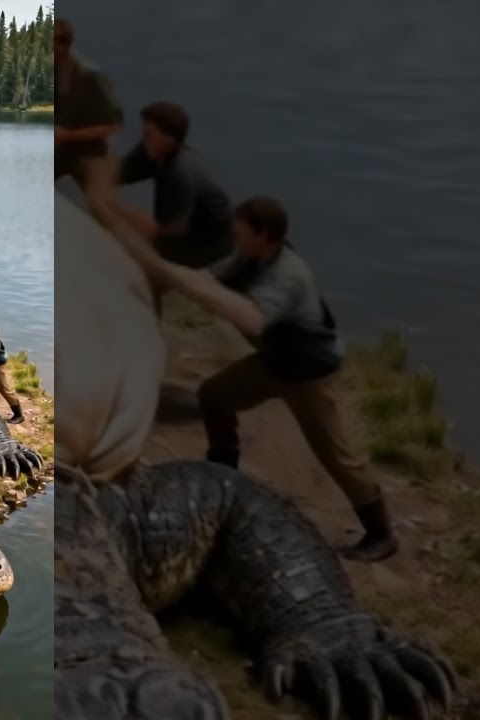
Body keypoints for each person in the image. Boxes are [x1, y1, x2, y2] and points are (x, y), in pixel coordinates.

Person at [98, 195, 399, 563]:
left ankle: (381, 533)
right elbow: (207, 280)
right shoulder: (249, 258)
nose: (235, 238)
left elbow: (249, 318)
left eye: (241, 232)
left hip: (307, 375)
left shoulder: (288, 275)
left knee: (336, 455)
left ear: (264, 234)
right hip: (274, 363)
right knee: (215, 395)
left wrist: (174, 275)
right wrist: (158, 269)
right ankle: (225, 478)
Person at [107, 101, 234, 278]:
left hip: (210, 244)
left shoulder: (179, 174)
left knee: (144, 256)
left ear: (169, 140)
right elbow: (115, 174)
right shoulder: (150, 152)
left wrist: (121, 211)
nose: (143, 139)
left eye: (148, 135)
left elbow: (173, 230)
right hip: (182, 229)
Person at [55, 18, 124, 200]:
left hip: (90, 153)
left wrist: (68, 136)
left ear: (64, 45)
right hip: (59, 150)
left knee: (102, 205)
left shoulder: (92, 78)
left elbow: (113, 126)